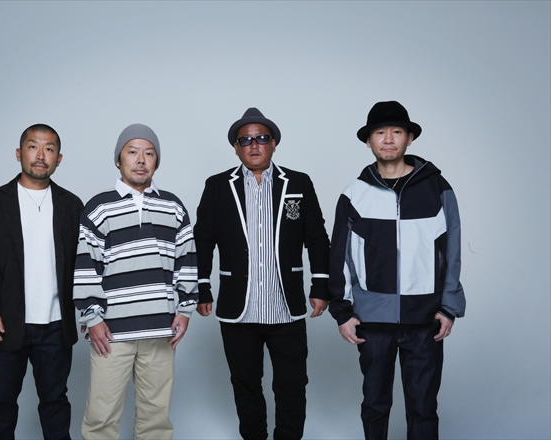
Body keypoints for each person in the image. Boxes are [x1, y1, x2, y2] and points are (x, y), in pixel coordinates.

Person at [328, 101, 466, 439]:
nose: (388, 139)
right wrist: (342, 312)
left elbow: (452, 249)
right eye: (380, 132)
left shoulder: (438, 189)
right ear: (368, 141)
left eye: (396, 132)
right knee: (375, 405)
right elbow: (339, 257)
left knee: (423, 407)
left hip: (425, 318)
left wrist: (449, 306)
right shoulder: (354, 194)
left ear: (409, 138)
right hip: (372, 320)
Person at [194, 108, 330, 440]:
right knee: (245, 385)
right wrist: (202, 287)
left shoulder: (298, 183)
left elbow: (316, 237)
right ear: (236, 148)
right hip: (238, 310)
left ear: (274, 144)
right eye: (246, 140)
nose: (254, 145)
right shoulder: (217, 186)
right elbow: (203, 239)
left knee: (292, 386)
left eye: (261, 138)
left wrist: (321, 286)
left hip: (286, 307)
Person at [74, 123, 198, 440]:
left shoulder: (173, 206)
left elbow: (187, 260)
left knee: (155, 420)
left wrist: (185, 310)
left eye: (149, 153)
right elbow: (86, 266)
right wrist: (92, 318)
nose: (141, 160)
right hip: (111, 332)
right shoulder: (99, 208)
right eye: (132, 152)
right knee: (101, 418)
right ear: (119, 160)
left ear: (156, 161)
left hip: (161, 330)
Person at [0, 123, 83, 439]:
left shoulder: (72, 205)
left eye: (49, 149)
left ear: (59, 158)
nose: (40, 155)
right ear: (19, 154)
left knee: (55, 404)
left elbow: (85, 264)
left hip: (56, 326)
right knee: (1, 405)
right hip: (5, 324)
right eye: (33, 147)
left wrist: (89, 311)